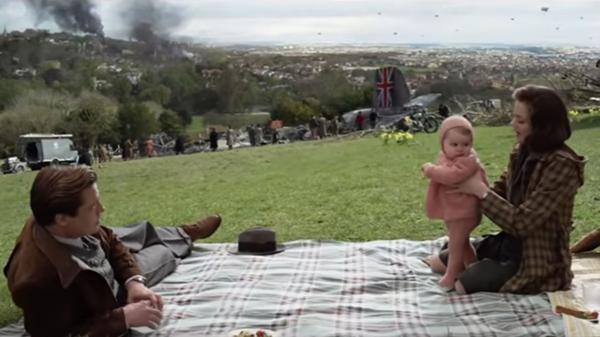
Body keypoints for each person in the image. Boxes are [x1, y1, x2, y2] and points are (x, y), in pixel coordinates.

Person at [4, 166, 222, 337]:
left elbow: (111, 238)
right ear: (62, 219)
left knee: (138, 231)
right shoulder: (37, 284)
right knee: (162, 254)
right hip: (103, 290)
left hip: (95, 261)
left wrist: (134, 282)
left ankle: (184, 232)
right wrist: (123, 318)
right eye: (92, 207)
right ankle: (182, 238)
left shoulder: (53, 217)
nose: (103, 209)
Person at [428, 85, 586, 294]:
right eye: (514, 118)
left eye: (520, 121)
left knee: (463, 283)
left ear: (542, 126)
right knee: (442, 261)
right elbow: (500, 190)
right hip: (508, 243)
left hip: (536, 258)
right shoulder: (522, 150)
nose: (513, 125)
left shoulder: (562, 166)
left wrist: (480, 191)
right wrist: (460, 194)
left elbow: (522, 223)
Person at [422, 115, 488, 290]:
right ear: (442, 144)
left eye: (465, 144)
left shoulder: (467, 161)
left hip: (465, 212)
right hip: (455, 210)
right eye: (454, 144)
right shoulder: (447, 158)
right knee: (462, 241)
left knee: (455, 243)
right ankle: (472, 266)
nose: (460, 149)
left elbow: (450, 176)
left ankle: (452, 274)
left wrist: (430, 170)